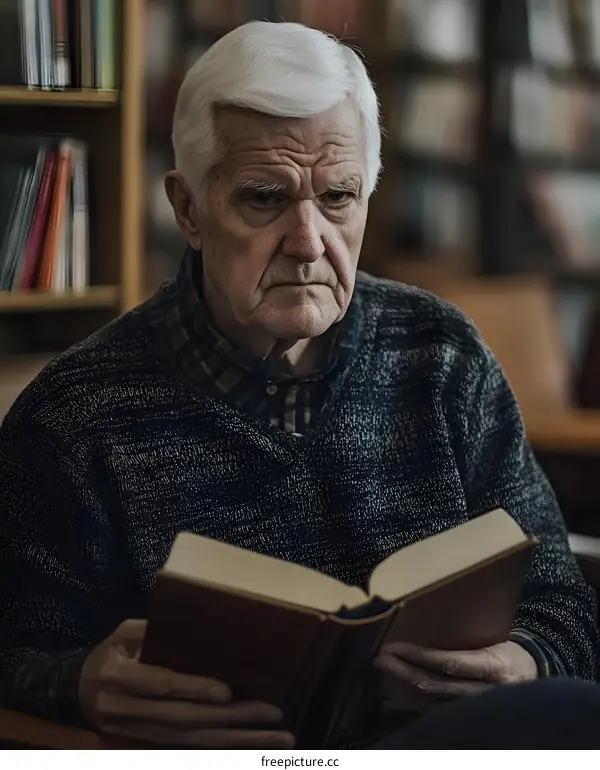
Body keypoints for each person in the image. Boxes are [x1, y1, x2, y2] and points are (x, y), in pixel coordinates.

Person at [0, 20, 597, 750]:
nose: (310, 240)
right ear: (187, 208)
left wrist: (525, 659)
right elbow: (15, 657)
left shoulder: (443, 358)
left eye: (338, 196)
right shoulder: (75, 416)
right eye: (264, 198)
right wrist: (80, 683)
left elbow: (562, 603)